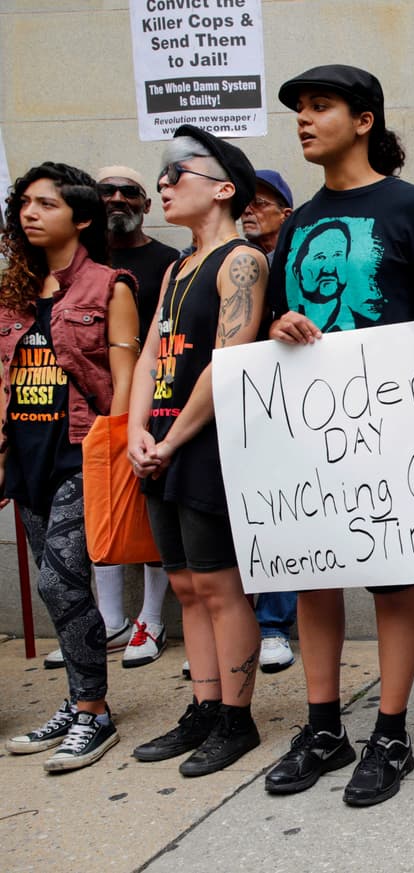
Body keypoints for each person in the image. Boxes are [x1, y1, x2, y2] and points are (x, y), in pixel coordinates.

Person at [261, 65, 414, 807]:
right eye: (300, 111)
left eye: (321, 107)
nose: (304, 120)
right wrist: (279, 324)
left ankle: (391, 731)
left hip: (391, 429)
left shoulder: (411, 206)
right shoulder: (297, 222)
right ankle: (323, 726)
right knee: (314, 573)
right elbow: (270, 331)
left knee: (388, 578)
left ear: (365, 120)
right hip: (310, 430)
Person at [127, 127, 268, 778]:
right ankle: (205, 707)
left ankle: (237, 718)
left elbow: (228, 359)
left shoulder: (241, 260)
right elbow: (152, 353)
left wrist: (172, 438)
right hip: (159, 443)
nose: (161, 182)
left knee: (217, 582)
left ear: (222, 188)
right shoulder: (177, 267)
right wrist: (136, 433)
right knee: (184, 582)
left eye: (174, 171)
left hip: (207, 444)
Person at [0, 162, 139, 772]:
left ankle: (94, 712)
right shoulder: (12, 290)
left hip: (81, 451)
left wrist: (128, 443)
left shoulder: (110, 286)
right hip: (26, 454)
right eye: (25, 203)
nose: (31, 213)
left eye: (46, 204)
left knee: (61, 579)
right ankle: (78, 700)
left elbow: (127, 378)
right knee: (56, 585)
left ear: (81, 217)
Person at [44, 165, 179, 672]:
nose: (118, 199)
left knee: (148, 513)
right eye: (107, 192)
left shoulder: (169, 260)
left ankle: (150, 618)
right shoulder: (80, 265)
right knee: (101, 516)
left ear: (147, 205)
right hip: (83, 412)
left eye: (130, 192)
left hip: (154, 402)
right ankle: (108, 620)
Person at [235, 167, 300, 674]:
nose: (251, 210)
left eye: (262, 201)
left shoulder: (295, 261)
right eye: (245, 202)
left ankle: (273, 626)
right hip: (241, 405)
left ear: (286, 211)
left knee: (283, 517)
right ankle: (236, 631)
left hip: (294, 407)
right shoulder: (232, 264)